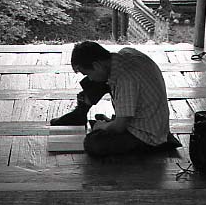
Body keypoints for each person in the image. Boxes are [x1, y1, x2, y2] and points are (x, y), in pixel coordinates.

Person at [50, 41, 181, 157]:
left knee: (92, 143)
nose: (88, 78)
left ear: (97, 65)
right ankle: (80, 114)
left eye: (87, 73)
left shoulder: (125, 79)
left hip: (149, 136)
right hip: (151, 120)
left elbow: (119, 127)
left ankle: (102, 122)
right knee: (99, 79)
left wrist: (102, 126)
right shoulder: (124, 55)